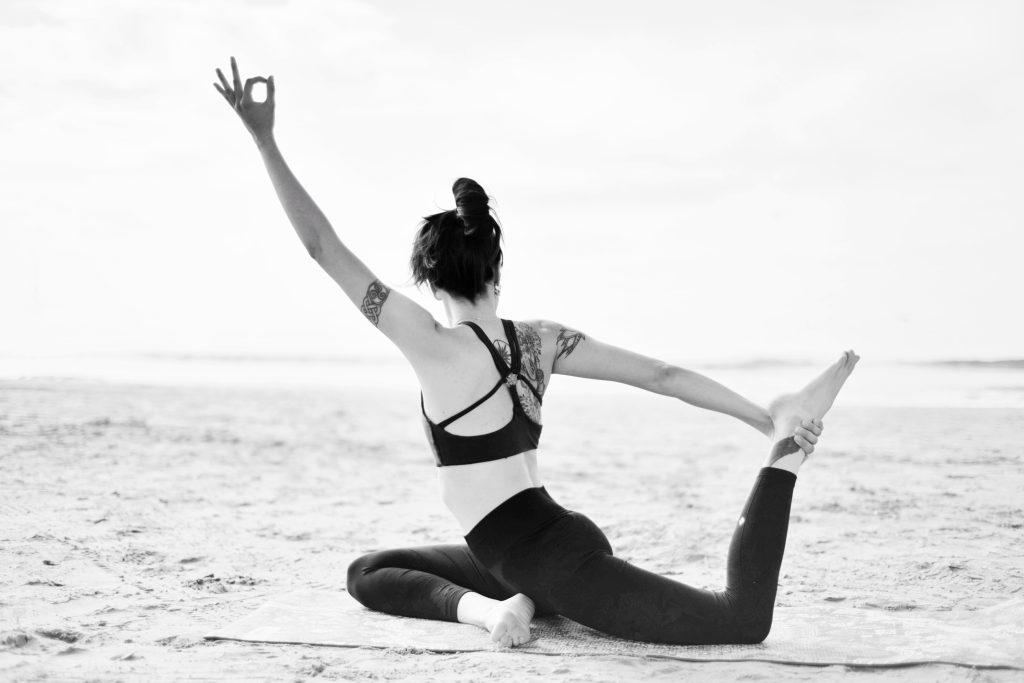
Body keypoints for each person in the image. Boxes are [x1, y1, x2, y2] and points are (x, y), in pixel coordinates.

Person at [214, 58, 859, 648]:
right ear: (496, 269)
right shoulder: (541, 342)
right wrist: (754, 414)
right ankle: (499, 608)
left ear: (432, 281)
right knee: (370, 570)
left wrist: (264, 141)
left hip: (554, 563)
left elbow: (323, 249)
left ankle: (787, 461)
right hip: (517, 553)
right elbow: (661, 375)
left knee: (741, 619)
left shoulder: (432, 344)